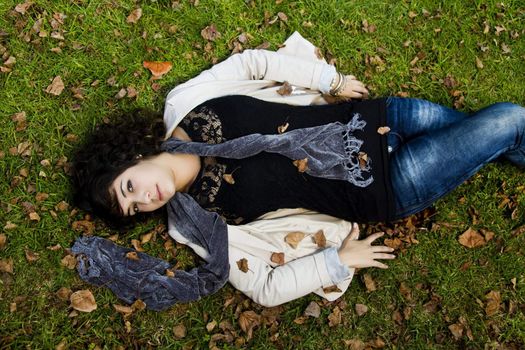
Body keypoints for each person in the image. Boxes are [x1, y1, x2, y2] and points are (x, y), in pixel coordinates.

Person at [71, 32, 525, 309]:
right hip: (386, 185)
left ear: (131, 158)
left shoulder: (185, 105)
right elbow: (264, 288)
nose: (145, 199)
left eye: (129, 187)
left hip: (379, 116)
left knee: (505, 135)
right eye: (133, 208)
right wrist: (337, 260)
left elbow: (253, 62)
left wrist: (329, 81)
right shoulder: (196, 223)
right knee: (508, 119)